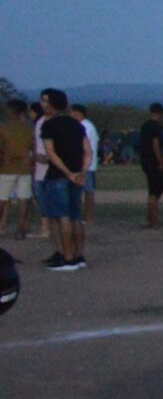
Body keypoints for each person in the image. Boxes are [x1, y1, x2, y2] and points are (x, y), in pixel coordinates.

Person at [34, 90, 89, 271]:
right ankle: (79, 256)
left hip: (58, 176)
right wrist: (82, 172)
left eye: (45, 101)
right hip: (76, 175)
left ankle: (68, 257)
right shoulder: (76, 124)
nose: (42, 104)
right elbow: (88, 151)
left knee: (61, 216)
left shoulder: (48, 125)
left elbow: (51, 153)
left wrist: (67, 172)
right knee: (75, 217)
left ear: (52, 104)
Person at [0, 99, 32, 238]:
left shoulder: (4, 128)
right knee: (23, 198)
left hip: (7, 167)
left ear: (11, 111)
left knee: (2, 198)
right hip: (25, 167)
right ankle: (21, 228)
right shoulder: (29, 128)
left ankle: (1, 225)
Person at [135, 103, 163, 230]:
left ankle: (150, 217)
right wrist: (160, 161)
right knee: (155, 190)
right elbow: (156, 145)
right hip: (153, 161)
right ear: (160, 113)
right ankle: (153, 219)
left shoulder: (145, 126)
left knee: (154, 189)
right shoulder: (157, 126)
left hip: (145, 160)